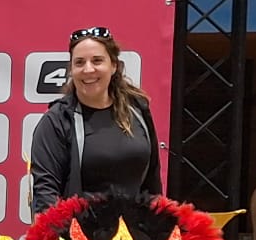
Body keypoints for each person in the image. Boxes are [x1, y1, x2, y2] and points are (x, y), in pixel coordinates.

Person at [28, 26, 162, 214]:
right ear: (71, 69)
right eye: (79, 62)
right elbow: (46, 195)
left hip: (135, 230)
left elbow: (153, 184)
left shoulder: (138, 109)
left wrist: (159, 225)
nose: (88, 69)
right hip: (79, 231)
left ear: (114, 65)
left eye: (97, 60)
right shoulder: (57, 121)